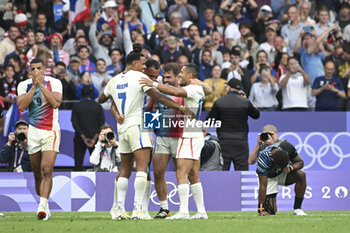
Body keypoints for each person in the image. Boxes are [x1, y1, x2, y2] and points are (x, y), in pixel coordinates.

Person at [98, 44, 195, 220]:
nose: (149, 76)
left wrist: (117, 113)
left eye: (155, 76)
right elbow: (158, 96)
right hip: (138, 125)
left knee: (132, 168)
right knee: (141, 168)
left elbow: (104, 98)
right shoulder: (141, 79)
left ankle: (123, 208)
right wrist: (181, 107)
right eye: (147, 71)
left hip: (133, 126)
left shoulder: (115, 80)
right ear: (136, 64)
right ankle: (135, 209)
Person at [140, 63, 209, 220]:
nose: (166, 80)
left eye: (169, 77)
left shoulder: (185, 90)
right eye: (163, 77)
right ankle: (172, 209)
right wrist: (152, 129)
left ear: (180, 76)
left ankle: (185, 211)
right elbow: (151, 109)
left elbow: (179, 92)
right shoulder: (161, 90)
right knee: (160, 173)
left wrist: (154, 84)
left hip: (186, 134)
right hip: (165, 135)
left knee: (187, 173)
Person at [17, 58, 63, 220]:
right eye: (33, 69)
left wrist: (41, 85)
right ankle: (45, 204)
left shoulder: (55, 83)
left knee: (46, 170)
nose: (35, 72)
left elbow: (56, 103)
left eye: (38, 68)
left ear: (45, 69)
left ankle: (41, 207)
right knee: (37, 173)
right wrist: (35, 86)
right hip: (34, 132)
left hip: (51, 131)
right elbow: (22, 106)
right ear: (30, 71)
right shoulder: (24, 85)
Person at [248, 124, 307, 216]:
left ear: (276, 134)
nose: (267, 137)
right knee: (270, 212)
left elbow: (300, 162)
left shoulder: (286, 145)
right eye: (265, 134)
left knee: (301, 174)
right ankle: (267, 205)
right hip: (269, 176)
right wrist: (260, 209)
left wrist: (290, 168)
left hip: (284, 171)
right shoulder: (263, 157)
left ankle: (297, 208)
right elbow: (262, 184)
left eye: (270, 134)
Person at [207, 78, 260, 171]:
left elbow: (209, 120)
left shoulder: (220, 101)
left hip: (224, 141)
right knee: (242, 172)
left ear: (229, 88)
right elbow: (256, 115)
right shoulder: (245, 102)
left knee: (222, 172)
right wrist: (246, 100)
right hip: (241, 142)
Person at [71, 85, 105, 171]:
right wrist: (94, 139)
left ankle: (76, 183)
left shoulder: (77, 106)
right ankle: (100, 183)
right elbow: (102, 124)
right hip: (95, 139)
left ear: (82, 94)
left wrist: (83, 137)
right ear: (92, 94)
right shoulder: (98, 106)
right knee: (97, 164)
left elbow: (74, 123)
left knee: (78, 163)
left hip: (79, 139)